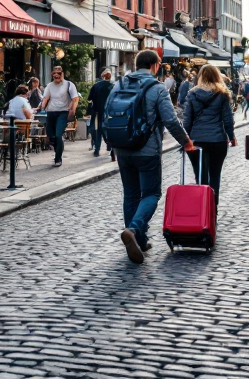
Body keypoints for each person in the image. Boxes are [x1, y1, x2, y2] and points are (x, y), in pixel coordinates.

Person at [113, 49, 195, 264]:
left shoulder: (119, 84)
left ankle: (139, 240)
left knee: (130, 194)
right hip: (147, 149)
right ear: (155, 65)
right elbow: (170, 120)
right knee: (151, 194)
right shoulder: (157, 88)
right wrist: (186, 142)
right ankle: (133, 229)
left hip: (122, 148)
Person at [182, 64, 237, 206]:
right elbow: (227, 119)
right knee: (215, 176)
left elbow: (187, 120)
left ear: (200, 77)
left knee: (200, 176)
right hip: (217, 140)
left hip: (197, 140)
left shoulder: (192, 93)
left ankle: (202, 211)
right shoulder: (222, 94)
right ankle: (213, 211)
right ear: (217, 76)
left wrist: (185, 139)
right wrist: (232, 137)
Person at [39, 65, 80, 167]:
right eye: (54, 74)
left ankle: (58, 158)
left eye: (59, 73)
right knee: (51, 136)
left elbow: (75, 99)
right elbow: (46, 98)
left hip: (63, 112)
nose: (56, 75)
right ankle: (58, 147)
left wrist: (72, 111)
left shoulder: (69, 85)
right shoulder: (49, 86)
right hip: (51, 112)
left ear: (62, 74)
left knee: (58, 135)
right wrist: (42, 106)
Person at [87, 68, 115, 157]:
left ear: (102, 76)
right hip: (109, 112)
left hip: (97, 112)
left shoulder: (96, 86)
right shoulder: (113, 86)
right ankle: (110, 145)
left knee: (97, 130)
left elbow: (90, 98)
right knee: (108, 130)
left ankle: (97, 149)